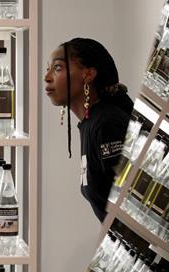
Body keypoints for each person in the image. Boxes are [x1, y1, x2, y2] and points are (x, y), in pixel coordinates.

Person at [44, 37, 133, 222]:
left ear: (88, 75)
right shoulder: (92, 122)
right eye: (48, 68)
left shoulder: (107, 124)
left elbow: (131, 205)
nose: (47, 77)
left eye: (57, 68)